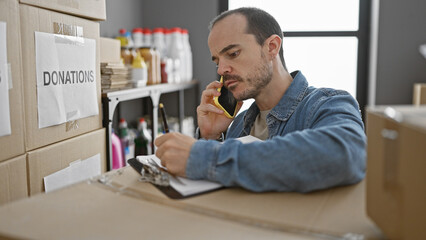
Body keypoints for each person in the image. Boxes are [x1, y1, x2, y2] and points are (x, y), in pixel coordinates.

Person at [154, 7, 366, 193]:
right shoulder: (238, 124)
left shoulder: (327, 103)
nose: (221, 69)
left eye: (233, 53)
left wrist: (203, 156)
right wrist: (210, 136)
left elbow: (346, 156)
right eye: (217, 60)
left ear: (272, 47)